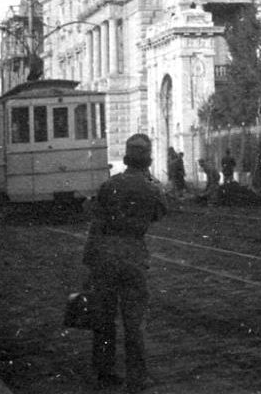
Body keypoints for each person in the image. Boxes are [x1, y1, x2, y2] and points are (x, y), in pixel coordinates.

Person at [83, 134, 167, 391]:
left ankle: (105, 371)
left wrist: (89, 262)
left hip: (106, 254)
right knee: (134, 321)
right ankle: (137, 378)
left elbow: (96, 224)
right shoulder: (152, 188)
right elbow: (160, 212)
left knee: (104, 318)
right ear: (148, 160)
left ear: (125, 158)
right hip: (133, 254)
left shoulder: (110, 186)